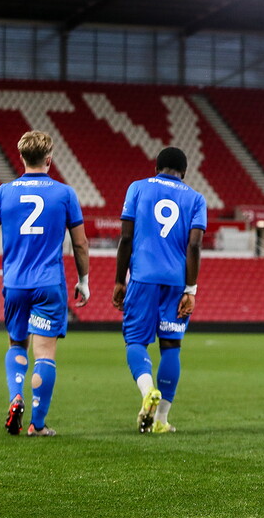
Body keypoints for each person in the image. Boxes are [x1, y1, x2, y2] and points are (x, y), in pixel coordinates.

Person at [0, 130, 90, 437]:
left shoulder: (4, 193)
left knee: (17, 343)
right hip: (49, 284)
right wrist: (83, 281)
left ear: (21, 157)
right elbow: (81, 244)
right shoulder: (65, 194)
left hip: (16, 284)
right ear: (49, 159)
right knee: (44, 354)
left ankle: (15, 396)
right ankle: (37, 424)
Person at [112, 147, 206, 433]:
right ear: (184, 172)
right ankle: (162, 420)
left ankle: (147, 391)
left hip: (142, 278)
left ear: (156, 167)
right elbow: (194, 246)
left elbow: (125, 238)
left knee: (136, 342)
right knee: (171, 347)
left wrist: (119, 280)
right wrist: (191, 289)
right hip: (176, 281)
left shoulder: (137, 189)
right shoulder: (196, 198)